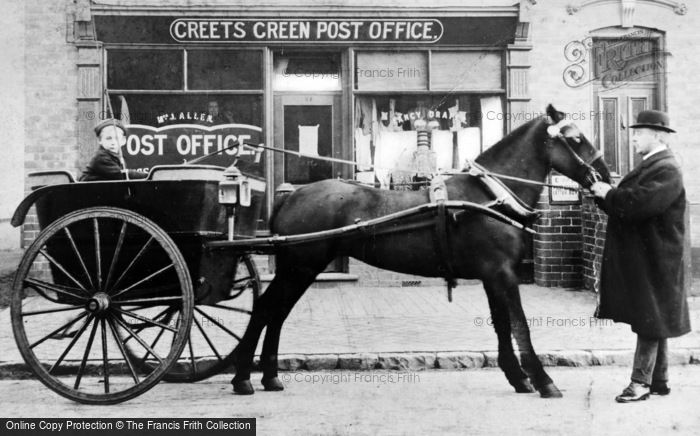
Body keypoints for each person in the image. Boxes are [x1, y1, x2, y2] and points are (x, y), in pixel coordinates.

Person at [590, 110, 691, 403]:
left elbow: (639, 205)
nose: (632, 137)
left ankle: (640, 383)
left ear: (656, 135)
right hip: (652, 257)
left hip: (659, 259)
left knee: (651, 317)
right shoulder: (654, 164)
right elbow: (627, 206)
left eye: (638, 132)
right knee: (654, 315)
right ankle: (659, 380)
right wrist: (603, 195)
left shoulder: (667, 167)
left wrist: (609, 194)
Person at [80, 118, 147, 181]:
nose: (113, 142)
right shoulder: (101, 157)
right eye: (108, 138)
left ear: (123, 140)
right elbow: (121, 175)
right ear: (100, 140)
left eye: (117, 138)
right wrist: (148, 175)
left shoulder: (116, 156)